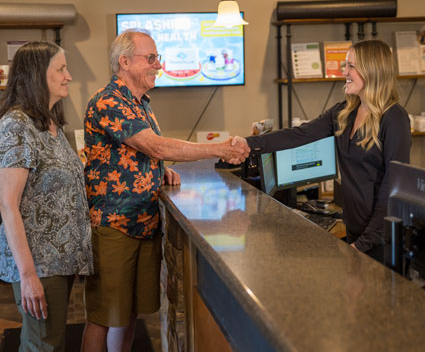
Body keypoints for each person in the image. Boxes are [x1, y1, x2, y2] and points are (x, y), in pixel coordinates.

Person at [81, 29, 249, 352]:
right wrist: (219, 150)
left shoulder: (140, 103)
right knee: (103, 316)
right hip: (114, 224)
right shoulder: (109, 101)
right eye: (151, 58)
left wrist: (159, 170)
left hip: (143, 222)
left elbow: (142, 152)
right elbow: (155, 145)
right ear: (125, 62)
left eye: (157, 57)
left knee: (128, 312)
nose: (157, 65)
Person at [234, 39, 411, 262]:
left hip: (380, 241)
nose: (344, 71)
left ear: (372, 71)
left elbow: (392, 189)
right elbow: (299, 134)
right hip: (355, 230)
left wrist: (361, 245)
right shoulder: (344, 113)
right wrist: (248, 144)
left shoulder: (394, 118)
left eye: (351, 66)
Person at [0, 42, 93, 352]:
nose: (68, 76)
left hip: (60, 262)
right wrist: (28, 276)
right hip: (39, 263)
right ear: (37, 76)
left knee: (51, 341)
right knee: (43, 345)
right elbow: (7, 204)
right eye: (61, 69)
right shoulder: (16, 125)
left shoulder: (50, 124)